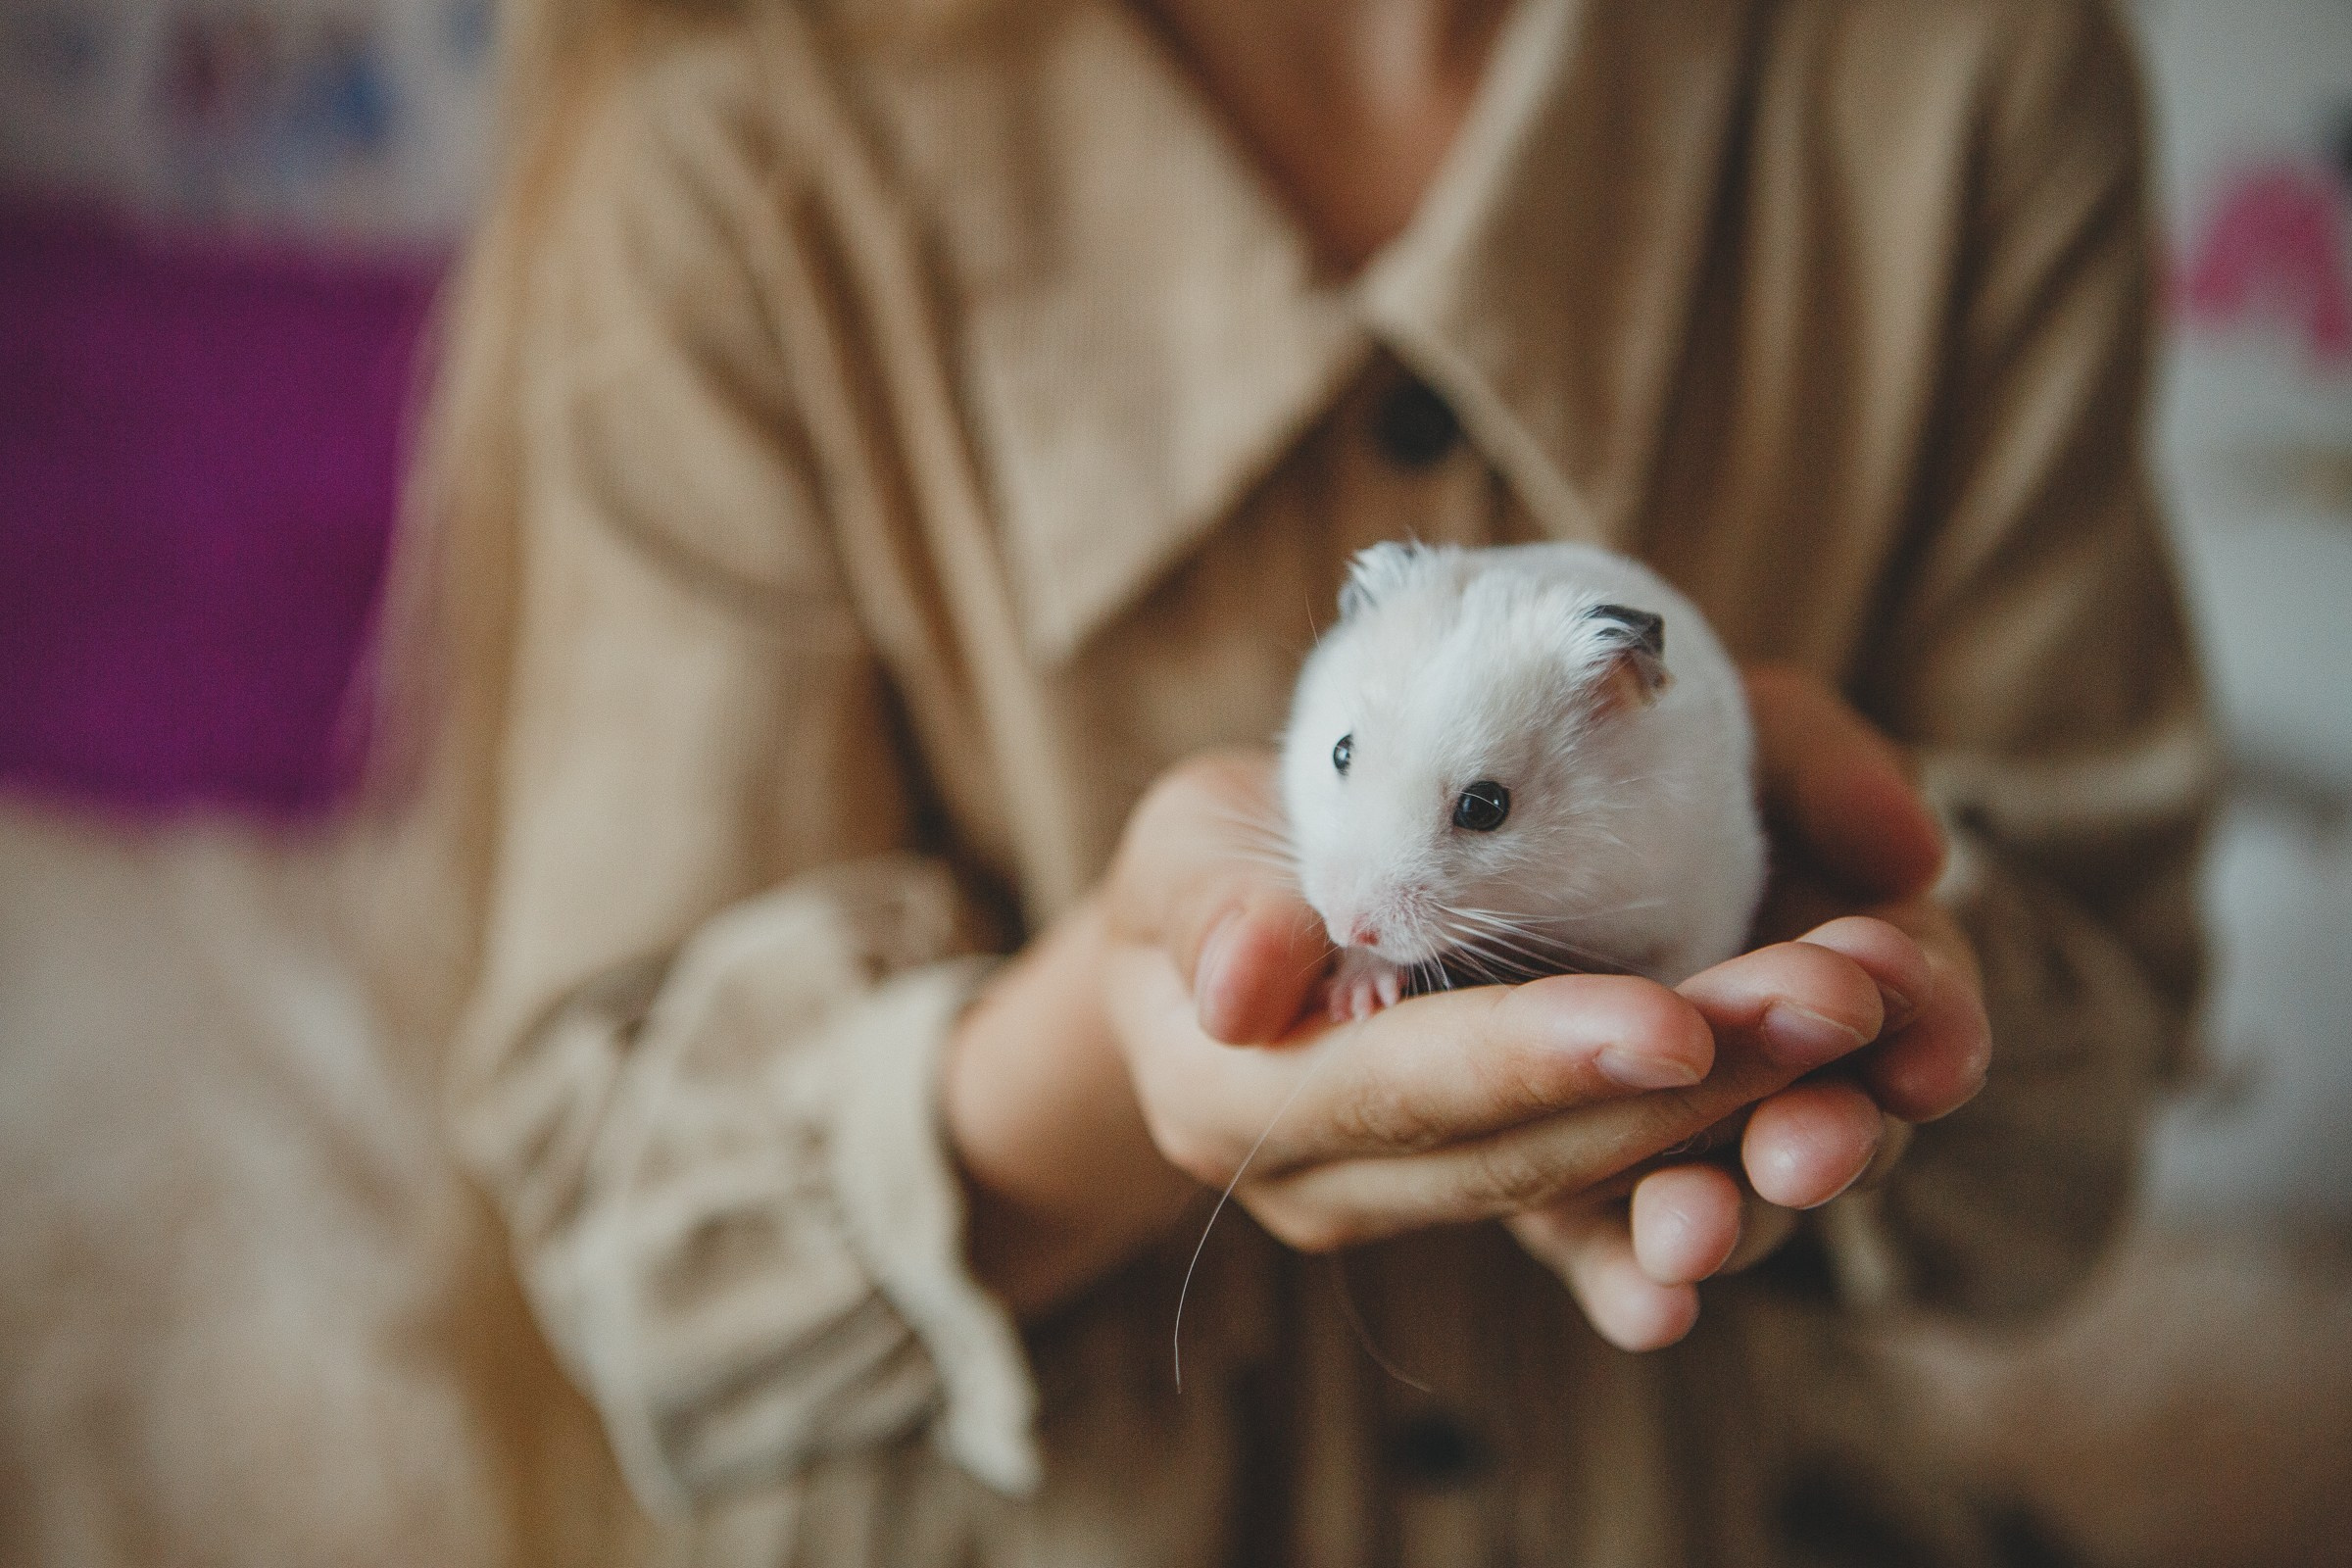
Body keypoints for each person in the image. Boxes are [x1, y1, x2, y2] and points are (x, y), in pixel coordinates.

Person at [379, 0, 2212, 1559]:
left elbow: (2090, 1112)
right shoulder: (739, 141)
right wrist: (1112, 1060)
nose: (1361, 890)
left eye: (1480, 812)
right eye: (1339, 776)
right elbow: (630, 1246)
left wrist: (1891, 998)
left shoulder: (1972, 72)